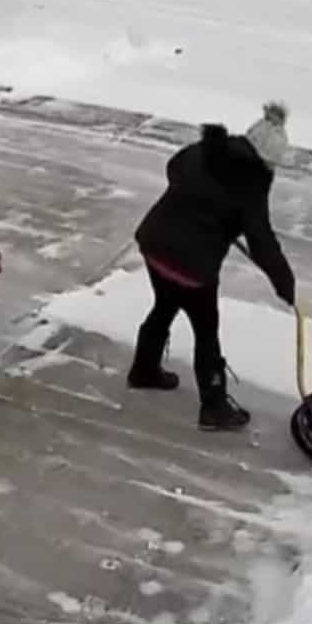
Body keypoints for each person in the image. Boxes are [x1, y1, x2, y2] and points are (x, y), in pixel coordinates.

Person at [127, 101, 296, 432]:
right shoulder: (252, 184)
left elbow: (174, 167)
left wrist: (197, 199)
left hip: (155, 243)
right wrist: (284, 282)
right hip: (192, 267)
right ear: (263, 159)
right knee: (206, 333)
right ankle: (215, 407)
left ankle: (144, 369)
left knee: (164, 305)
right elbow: (261, 241)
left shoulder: (205, 149)